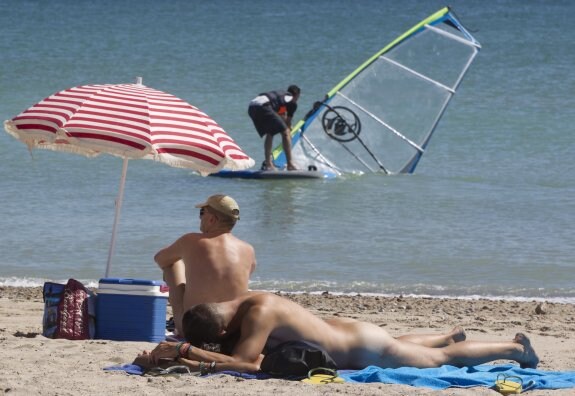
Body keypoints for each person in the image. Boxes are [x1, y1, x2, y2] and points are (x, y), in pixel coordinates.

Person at [145, 292, 539, 373]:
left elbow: (247, 363)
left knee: (439, 362)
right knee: (398, 345)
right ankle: (447, 334)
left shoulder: (258, 315)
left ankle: (515, 349)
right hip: (356, 335)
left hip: (362, 349)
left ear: (223, 327)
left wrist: (187, 354)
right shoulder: (245, 300)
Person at [154, 194, 256, 336]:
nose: (200, 217)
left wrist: (186, 283)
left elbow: (160, 259)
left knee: (172, 263)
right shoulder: (248, 250)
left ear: (212, 219)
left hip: (194, 328)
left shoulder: (191, 240)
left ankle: (179, 325)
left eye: (202, 213)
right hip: (232, 331)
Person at [248, 85, 301, 171]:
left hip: (252, 107)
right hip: (263, 106)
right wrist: (288, 132)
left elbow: (281, 116)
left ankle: (269, 164)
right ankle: (290, 165)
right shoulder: (291, 100)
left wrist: (286, 127)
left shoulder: (281, 96)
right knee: (286, 133)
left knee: (270, 132)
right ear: (297, 95)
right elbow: (287, 121)